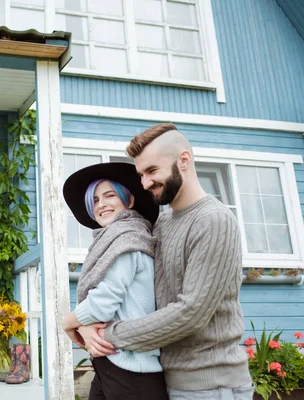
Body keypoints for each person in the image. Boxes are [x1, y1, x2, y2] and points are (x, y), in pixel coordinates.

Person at [81, 123, 253, 400]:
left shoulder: (214, 220)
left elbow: (191, 313)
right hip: (167, 379)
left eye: (152, 171)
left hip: (211, 387)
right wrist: (87, 322)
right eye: (141, 174)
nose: (145, 182)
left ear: (183, 160)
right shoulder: (161, 223)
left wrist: (107, 335)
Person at [61, 162, 168, 400]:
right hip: (111, 365)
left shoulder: (128, 240)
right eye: (96, 200)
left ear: (128, 201)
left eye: (110, 196)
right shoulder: (114, 239)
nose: (102, 205)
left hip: (132, 371)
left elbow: (103, 302)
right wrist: (85, 326)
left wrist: (69, 323)